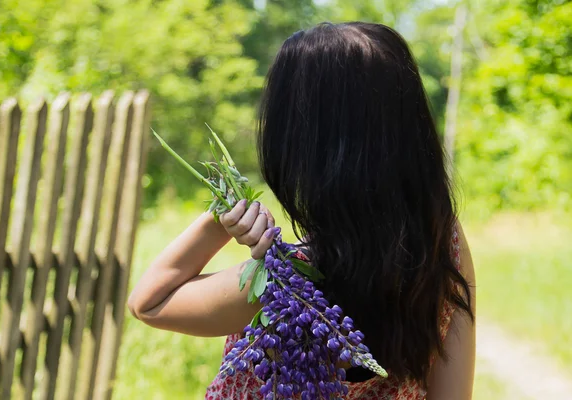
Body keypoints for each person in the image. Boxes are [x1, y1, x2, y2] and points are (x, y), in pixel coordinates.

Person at [127, 22, 476, 400]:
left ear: (305, 149)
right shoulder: (443, 242)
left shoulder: (291, 283)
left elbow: (149, 303)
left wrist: (221, 219)